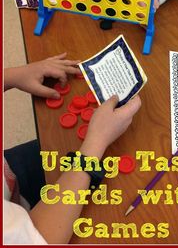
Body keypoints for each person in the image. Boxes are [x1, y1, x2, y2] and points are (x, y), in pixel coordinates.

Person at [4, 53, 141, 244]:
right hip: (31, 224)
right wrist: (97, 140)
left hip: (8, 175)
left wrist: (9, 76)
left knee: (57, 144)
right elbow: (40, 239)